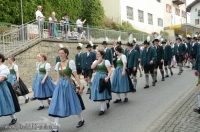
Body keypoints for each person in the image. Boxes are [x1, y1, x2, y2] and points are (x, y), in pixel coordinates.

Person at [48, 47, 85, 132]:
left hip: (69, 85)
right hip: (60, 86)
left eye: (62, 53)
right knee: (58, 104)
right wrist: (54, 89)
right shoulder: (58, 64)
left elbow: (75, 75)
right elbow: (57, 78)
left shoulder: (70, 62)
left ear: (66, 54)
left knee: (73, 102)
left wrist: (80, 85)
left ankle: (81, 119)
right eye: (59, 53)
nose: (60, 55)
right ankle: (55, 128)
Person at [0, 53, 20, 125]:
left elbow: (2, 78)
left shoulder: (4, 67)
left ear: (0, 59)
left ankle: (13, 118)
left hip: (2, 87)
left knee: (6, 102)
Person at [90, 50, 112, 116]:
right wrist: (97, 62)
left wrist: (107, 78)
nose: (97, 55)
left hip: (103, 77)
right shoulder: (95, 61)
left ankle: (102, 109)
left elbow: (110, 71)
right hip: (97, 77)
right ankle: (106, 101)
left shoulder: (106, 61)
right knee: (99, 91)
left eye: (98, 54)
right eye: (97, 54)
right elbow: (92, 67)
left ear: (102, 55)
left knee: (103, 92)